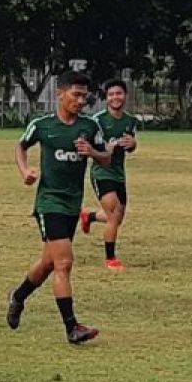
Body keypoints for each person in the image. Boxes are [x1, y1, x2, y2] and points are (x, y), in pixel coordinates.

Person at [7, 71, 111, 344]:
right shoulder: (43, 126)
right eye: (75, 95)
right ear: (60, 94)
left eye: (84, 96)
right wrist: (25, 171)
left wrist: (92, 152)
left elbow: (107, 159)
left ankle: (18, 296)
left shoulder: (90, 127)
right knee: (64, 263)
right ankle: (72, 327)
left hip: (72, 205)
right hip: (48, 202)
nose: (80, 100)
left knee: (48, 263)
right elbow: (20, 146)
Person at [80, 80, 140, 271]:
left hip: (119, 174)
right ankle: (110, 258)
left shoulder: (130, 121)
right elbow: (87, 145)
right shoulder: (97, 121)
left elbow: (131, 146)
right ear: (106, 98)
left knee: (117, 217)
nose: (115, 97)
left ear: (125, 96)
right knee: (114, 215)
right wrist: (105, 148)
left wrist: (133, 145)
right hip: (101, 172)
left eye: (119, 93)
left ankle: (89, 216)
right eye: (111, 94)